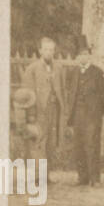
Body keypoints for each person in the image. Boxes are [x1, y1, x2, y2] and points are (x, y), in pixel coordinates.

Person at [64, 38, 104, 187]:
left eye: (86, 54)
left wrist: (97, 113)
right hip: (77, 114)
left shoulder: (97, 73)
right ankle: (82, 177)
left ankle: (95, 178)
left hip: (93, 115)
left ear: (90, 56)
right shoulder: (73, 72)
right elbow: (70, 94)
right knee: (79, 145)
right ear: (77, 57)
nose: (83, 57)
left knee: (92, 145)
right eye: (80, 54)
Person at [20, 36, 65, 169]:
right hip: (39, 110)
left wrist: (62, 108)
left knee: (51, 142)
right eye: (46, 49)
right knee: (39, 141)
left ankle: (46, 175)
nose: (49, 52)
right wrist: (31, 114)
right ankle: (38, 176)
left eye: (51, 50)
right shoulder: (32, 69)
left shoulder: (58, 67)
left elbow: (62, 89)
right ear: (40, 51)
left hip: (54, 109)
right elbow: (27, 93)